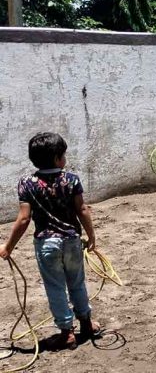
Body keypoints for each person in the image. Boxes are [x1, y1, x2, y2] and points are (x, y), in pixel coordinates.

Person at [0, 133, 101, 349]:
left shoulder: (27, 183)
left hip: (46, 244)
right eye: (63, 154)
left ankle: (67, 332)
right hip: (72, 241)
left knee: (55, 288)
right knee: (77, 283)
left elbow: (24, 218)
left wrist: (8, 247)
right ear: (57, 158)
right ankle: (86, 322)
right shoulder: (71, 179)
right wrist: (91, 235)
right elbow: (81, 209)